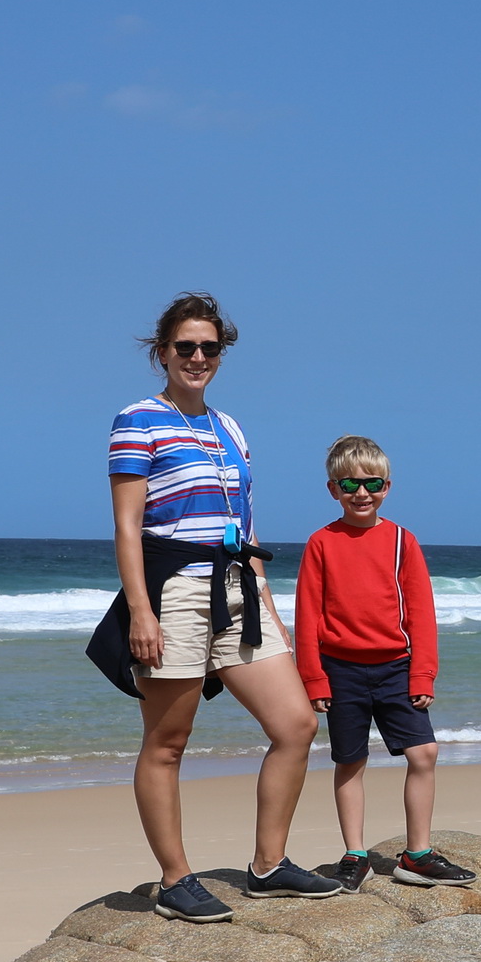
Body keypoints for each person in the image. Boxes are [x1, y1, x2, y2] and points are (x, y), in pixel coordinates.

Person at [108, 293, 338, 921]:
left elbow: (246, 524)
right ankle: (176, 879)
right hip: (174, 587)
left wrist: (266, 600)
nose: (199, 357)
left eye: (210, 347)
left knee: (295, 725)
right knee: (168, 740)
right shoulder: (138, 420)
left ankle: (268, 866)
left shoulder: (230, 428)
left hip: (238, 588)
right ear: (162, 353)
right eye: (186, 347)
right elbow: (128, 528)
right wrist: (141, 612)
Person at [293, 435, 476, 891]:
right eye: (349, 483)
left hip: (397, 667)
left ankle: (417, 854)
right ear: (333, 489)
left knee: (424, 752)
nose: (361, 492)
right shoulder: (321, 543)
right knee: (350, 761)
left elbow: (421, 612)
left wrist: (423, 671)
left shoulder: (401, 540)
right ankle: (355, 854)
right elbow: (307, 615)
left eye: (371, 483)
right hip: (341, 670)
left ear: (387, 486)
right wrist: (313, 678)